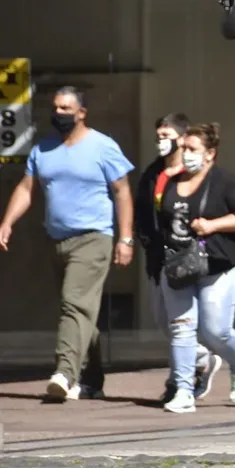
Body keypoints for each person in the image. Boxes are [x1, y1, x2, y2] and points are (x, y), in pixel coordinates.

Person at [0, 86, 135, 401]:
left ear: (82, 113)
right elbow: (25, 188)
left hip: (93, 238)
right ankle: (92, 379)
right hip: (57, 241)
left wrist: (125, 238)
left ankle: (64, 373)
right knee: (82, 310)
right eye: (55, 108)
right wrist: (7, 223)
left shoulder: (103, 147)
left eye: (65, 109)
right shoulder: (43, 149)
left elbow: (122, 192)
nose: (58, 114)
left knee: (73, 303)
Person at [158, 122, 235, 413]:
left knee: (215, 331)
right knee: (182, 329)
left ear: (210, 153)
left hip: (218, 265)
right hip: (178, 266)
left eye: (192, 149)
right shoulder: (170, 180)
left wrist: (212, 225)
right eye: (184, 147)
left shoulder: (223, 181)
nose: (186, 153)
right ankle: (184, 390)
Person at [135, 113, 222, 405]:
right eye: (158, 136)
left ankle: (180, 383)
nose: (162, 141)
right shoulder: (153, 174)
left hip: (188, 259)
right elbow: (143, 211)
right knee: (163, 319)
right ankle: (199, 359)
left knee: (181, 324)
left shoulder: (192, 175)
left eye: (167, 135)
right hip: (158, 258)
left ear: (182, 138)